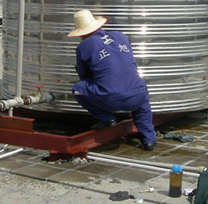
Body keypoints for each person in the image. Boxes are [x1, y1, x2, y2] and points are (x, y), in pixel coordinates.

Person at [67, 9, 157, 151]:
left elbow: (84, 75)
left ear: (82, 33)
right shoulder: (121, 36)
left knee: (78, 89)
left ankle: (106, 119)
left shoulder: (84, 46)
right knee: (141, 92)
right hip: (137, 95)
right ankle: (149, 140)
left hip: (111, 99)